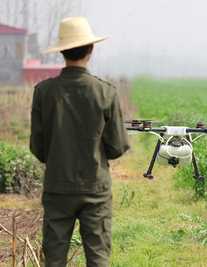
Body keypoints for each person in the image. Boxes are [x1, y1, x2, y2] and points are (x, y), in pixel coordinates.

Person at [30, 16, 130, 266]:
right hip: (95, 188)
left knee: (54, 258)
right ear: (91, 49)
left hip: (57, 186)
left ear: (61, 52)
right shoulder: (106, 92)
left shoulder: (43, 92)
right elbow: (117, 146)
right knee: (97, 258)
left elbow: (38, 147)